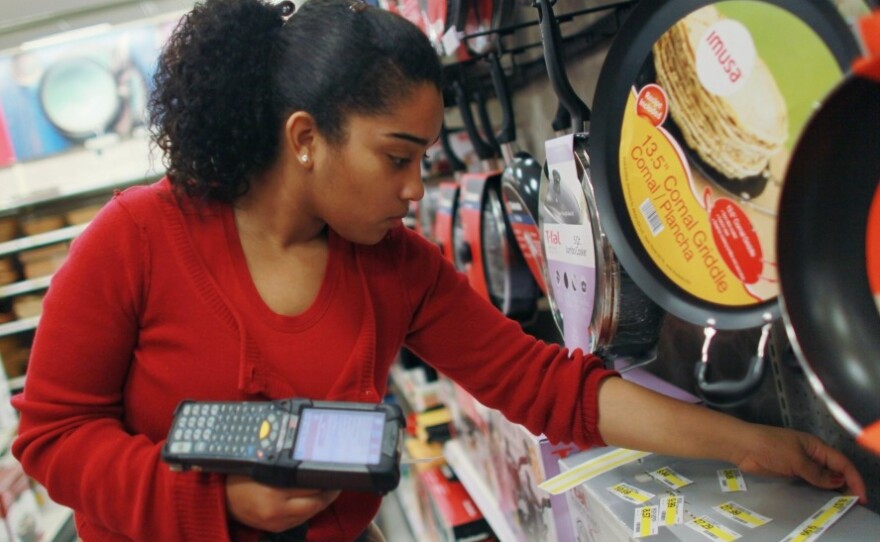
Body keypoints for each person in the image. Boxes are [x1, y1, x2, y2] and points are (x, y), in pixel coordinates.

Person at [10, 0, 867, 541]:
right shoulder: (135, 239)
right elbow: (51, 437)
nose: (418, 190)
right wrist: (215, 504)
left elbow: (548, 387)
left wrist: (763, 446)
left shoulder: (396, 271)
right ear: (306, 139)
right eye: (397, 157)